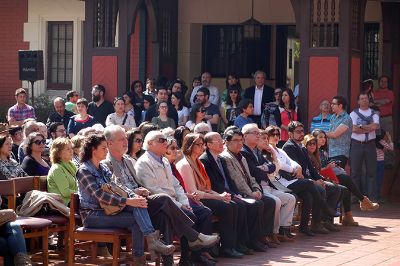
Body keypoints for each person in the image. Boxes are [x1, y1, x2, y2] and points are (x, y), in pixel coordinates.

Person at [75, 133, 177, 264]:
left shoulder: (103, 167)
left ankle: (142, 255)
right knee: (136, 216)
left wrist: (134, 196)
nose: (107, 150)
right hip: (92, 215)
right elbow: (100, 195)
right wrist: (128, 201)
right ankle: (148, 246)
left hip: (109, 210)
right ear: (93, 150)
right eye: (103, 148)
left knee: (138, 208)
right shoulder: (84, 170)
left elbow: (119, 187)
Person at [133, 130, 218, 265]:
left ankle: (194, 255)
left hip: (175, 202)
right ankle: (188, 252)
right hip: (160, 205)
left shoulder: (165, 161)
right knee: (186, 215)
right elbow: (154, 190)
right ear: (150, 143)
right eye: (161, 140)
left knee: (203, 212)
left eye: (165, 139)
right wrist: (180, 205)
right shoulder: (143, 163)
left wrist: (184, 202)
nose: (165, 143)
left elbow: (177, 185)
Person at [176, 133, 244, 258]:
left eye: (203, 144)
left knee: (232, 204)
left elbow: (207, 188)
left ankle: (230, 245)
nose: (202, 147)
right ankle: (221, 248)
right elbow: (193, 191)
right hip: (193, 199)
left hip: (203, 196)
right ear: (190, 146)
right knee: (226, 207)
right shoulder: (185, 164)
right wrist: (219, 197)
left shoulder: (198, 163)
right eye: (199, 144)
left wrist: (221, 195)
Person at [200, 132, 267, 253]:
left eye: (222, 140)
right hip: (215, 194)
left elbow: (229, 180)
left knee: (255, 204)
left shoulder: (220, 158)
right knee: (236, 206)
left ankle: (248, 242)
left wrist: (236, 193)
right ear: (209, 145)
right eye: (218, 141)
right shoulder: (205, 160)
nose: (222, 143)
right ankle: (229, 246)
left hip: (227, 192)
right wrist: (232, 195)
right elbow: (214, 184)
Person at [265, 126, 331, 236]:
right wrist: (293, 169)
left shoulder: (280, 150)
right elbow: (279, 165)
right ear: (267, 136)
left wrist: (298, 167)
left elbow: (291, 161)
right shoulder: (269, 149)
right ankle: (325, 208)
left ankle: (303, 227)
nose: (276, 136)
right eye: (273, 134)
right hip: (279, 182)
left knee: (308, 195)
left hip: (289, 180)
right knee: (309, 183)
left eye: (277, 134)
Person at [220, 128, 277, 242]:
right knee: (257, 204)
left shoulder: (242, 156)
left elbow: (250, 178)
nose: (239, 143)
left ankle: (265, 235)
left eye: (241, 140)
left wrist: (257, 190)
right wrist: (251, 193)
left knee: (270, 202)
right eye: (236, 140)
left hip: (251, 190)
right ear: (227, 142)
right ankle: (253, 239)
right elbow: (237, 180)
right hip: (240, 192)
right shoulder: (226, 157)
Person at [241, 123, 296, 243]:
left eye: (258, 133)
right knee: (275, 201)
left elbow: (271, 167)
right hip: (257, 187)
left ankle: (283, 230)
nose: (258, 135)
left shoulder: (257, 151)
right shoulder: (244, 151)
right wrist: (265, 169)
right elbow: (254, 172)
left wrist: (264, 168)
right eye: (255, 133)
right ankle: (270, 233)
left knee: (290, 198)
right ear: (245, 136)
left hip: (269, 185)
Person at [282, 121, 340, 233]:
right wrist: (314, 181)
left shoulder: (302, 147)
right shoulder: (289, 147)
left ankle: (322, 222)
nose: (301, 134)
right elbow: (298, 170)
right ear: (290, 134)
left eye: (302, 131)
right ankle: (318, 220)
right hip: (293, 181)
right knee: (319, 190)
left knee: (335, 188)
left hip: (305, 181)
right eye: (297, 132)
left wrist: (320, 179)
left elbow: (311, 168)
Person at [313, 129, 379, 219]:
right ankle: (363, 201)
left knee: (346, 186)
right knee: (345, 178)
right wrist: (329, 167)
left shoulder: (323, 152)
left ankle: (349, 216)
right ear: (314, 139)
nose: (323, 139)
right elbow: (316, 170)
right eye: (320, 137)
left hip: (327, 175)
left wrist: (333, 163)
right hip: (320, 178)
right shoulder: (313, 151)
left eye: (324, 137)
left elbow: (325, 165)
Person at [349, 93, 380, 199]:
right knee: (355, 173)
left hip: (370, 145)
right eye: (362, 99)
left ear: (369, 100)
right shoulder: (353, 114)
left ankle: (371, 197)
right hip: (356, 145)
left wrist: (361, 127)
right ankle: (355, 197)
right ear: (358, 101)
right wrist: (369, 127)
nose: (364, 100)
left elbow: (376, 126)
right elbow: (353, 129)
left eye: (366, 98)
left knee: (371, 172)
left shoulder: (374, 113)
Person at [46, 137, 77, 206]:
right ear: (58, 153)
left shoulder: (71, 165)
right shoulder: (57, 168)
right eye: (68, 149)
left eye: (71, 148)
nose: (71, 151)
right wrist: (83, 193)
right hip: (64, 204)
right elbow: (65, 192)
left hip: (74, 200)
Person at [325, 96, 353, 168]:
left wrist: (321, 133)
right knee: (332, 177)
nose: (331, 105)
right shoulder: (332, 117)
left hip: (340, 153)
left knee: (337, 175)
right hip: (330, 152)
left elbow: (335, 135)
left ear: (340, 106)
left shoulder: (347, 118)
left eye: (334, 104)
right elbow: (330, 133)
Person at [375, 129, 394, 202]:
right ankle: (378, 197)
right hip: (380, 162)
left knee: (373, 180)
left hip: (372, 162)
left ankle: (373, 196)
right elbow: (391, 148)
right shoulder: (382, 142)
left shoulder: (372, 142)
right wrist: (389, 138)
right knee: (379, 180)